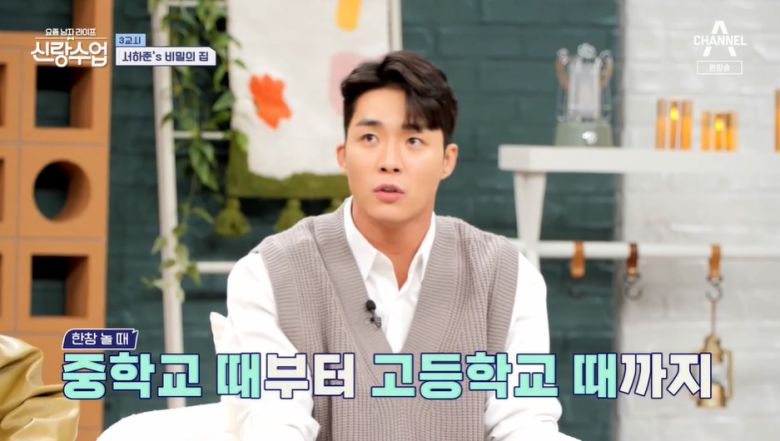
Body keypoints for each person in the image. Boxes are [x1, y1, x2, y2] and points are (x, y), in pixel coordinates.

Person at [225, 50, 578, 441]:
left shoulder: (508, 277)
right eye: (370, 138)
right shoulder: (268, 275)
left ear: (447, 160)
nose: (389, 161)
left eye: (413, 140)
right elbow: (273, 421)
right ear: (343, 155)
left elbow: (523, 422)